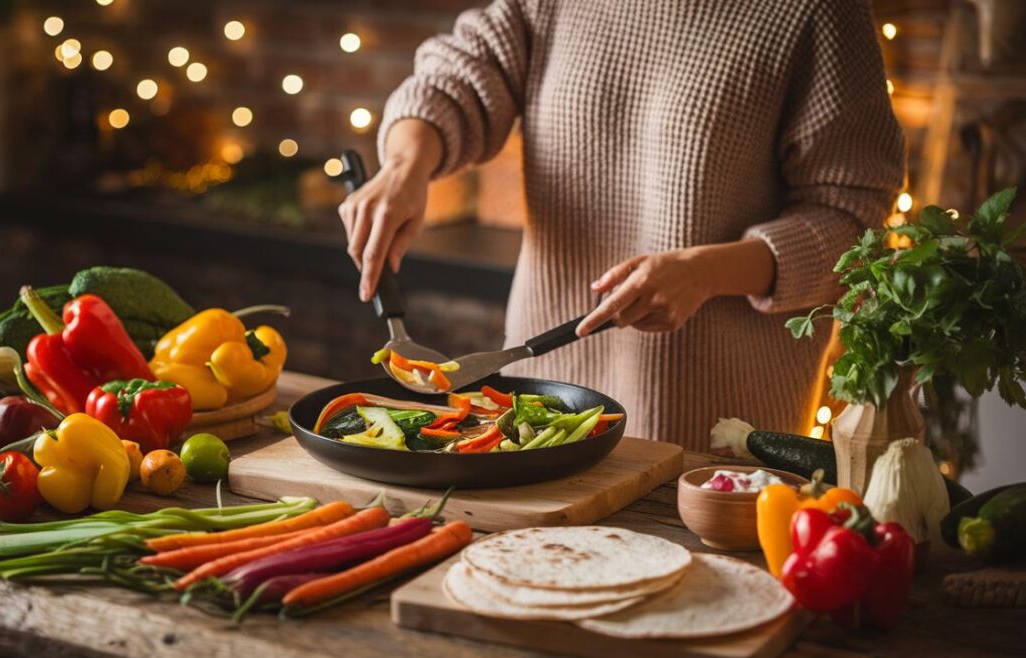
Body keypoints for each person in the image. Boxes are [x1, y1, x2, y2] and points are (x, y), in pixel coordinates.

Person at [338, 0, 905, 451]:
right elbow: (457, 73)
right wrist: (406, 165)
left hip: (716, 430)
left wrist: (707, 272)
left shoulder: (817, 12)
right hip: (533, 416)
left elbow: (853, 223)